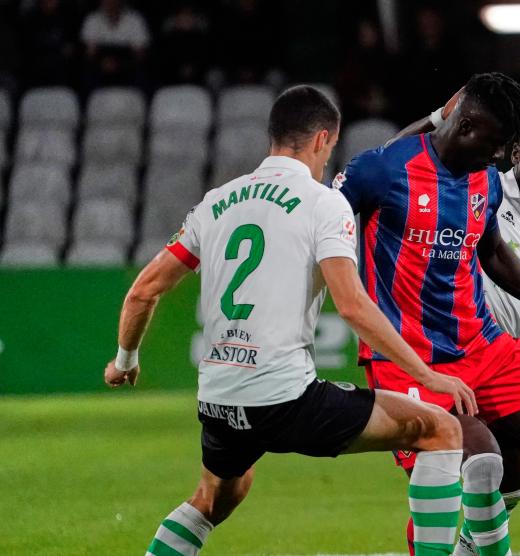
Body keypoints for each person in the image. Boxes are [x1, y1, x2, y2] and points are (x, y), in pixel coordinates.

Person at [103, 85, 478, 556]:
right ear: (324, 139)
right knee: (439, 428)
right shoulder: (324, 204)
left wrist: (125, 359)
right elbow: (353, 306)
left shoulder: (218, 201)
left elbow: (144, 290)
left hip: (219, 400)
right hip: (284, 399)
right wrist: (425, 375)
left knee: (218, 496)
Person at [336, 73, 520, 556]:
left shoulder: (482, 181)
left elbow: (494, 253)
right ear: (468, 126)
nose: (501, 158)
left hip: (482, 344)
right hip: (407, 356)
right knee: (479, 463)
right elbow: (322, 219)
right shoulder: (385, 170)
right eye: (498, 145)